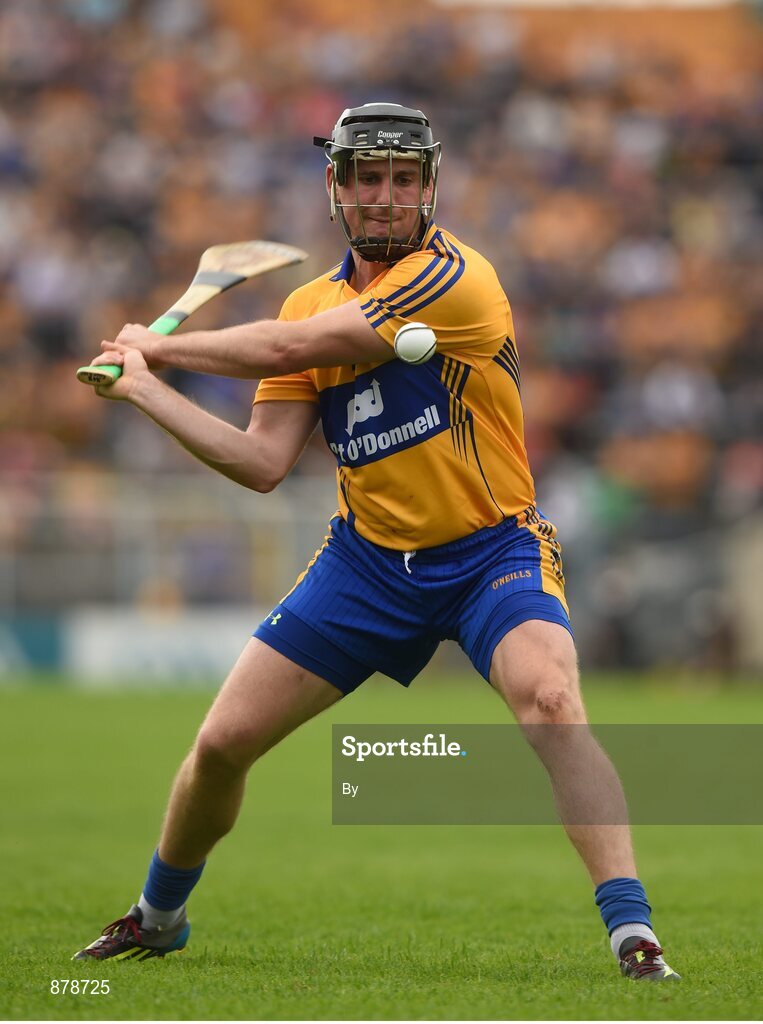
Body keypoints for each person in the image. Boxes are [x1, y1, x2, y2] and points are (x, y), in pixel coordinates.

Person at [73, 102, 679, 981]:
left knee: (550, 699)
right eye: (366, 177)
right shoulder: (308, 297)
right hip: (364, 564)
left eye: (402, 178)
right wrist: (143, 389)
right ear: (337, 188)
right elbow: (260, 462)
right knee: (219, 746)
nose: (385, 197)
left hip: (489, 553)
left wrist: (167, 352)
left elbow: (303, 342)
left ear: (428, 186)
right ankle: (157, 917)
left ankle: (632, 932)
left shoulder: (456, 279)